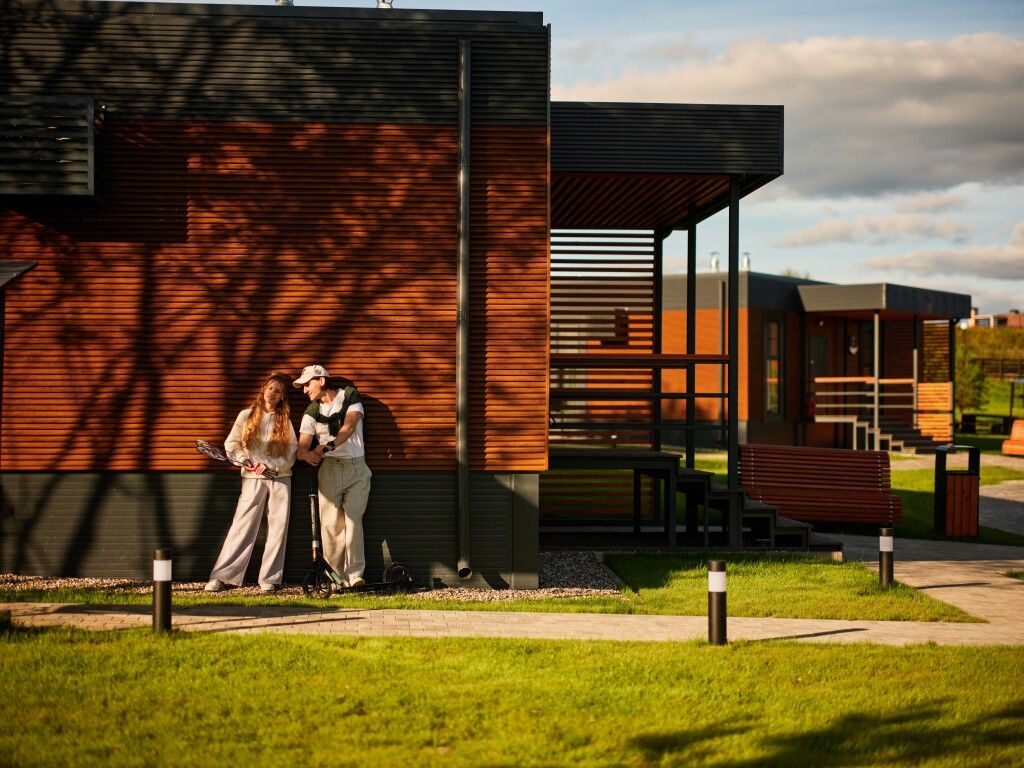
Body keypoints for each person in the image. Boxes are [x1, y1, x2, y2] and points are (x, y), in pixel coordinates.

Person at [205, 372, 298, 593]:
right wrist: (245, 461)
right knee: (241, 525)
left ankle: (270, 579)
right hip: (251, 478)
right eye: (271, 388)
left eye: (278, 391)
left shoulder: (285, 420)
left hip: (280, 478)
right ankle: (222, 576)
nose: (273, 393)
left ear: (282, 396)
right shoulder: (246, 415)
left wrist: (273, 466)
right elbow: (232, 444)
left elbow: (292, 452)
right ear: (263, 389)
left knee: (278, 528)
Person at [293, 363, 370, 589]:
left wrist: (328, 446)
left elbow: (349, 426)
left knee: (353, 521)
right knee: (329, 525)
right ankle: (335, 578)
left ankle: (355, 575)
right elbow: (301, 449)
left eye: (308, 384)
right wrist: (307, 456)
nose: (305, 390)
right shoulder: (311, 413)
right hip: (329, 471)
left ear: (322, 381)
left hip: (356, 467)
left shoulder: (350, 398)